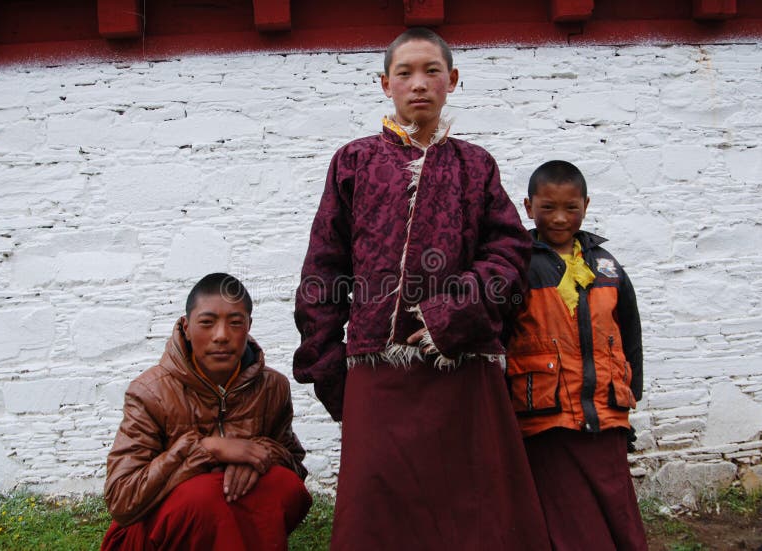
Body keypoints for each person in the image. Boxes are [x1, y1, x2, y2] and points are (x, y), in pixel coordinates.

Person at [293, 27, 551, 551]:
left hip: (463, 368)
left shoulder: (475, 166)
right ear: (384, 83)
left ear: (452, 81)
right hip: (375, 370)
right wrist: (327, 361)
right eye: (405, 73)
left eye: (432, 71)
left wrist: (451, 315)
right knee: (380, 515)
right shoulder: (354, 161)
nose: (419, 84)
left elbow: (509, 253)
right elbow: (325, 265)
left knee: (473, 513)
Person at [101, 273, 311, 551]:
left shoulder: (273, 387)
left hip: (230, 522)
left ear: (249, 326)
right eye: (207, 323)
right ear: (186, 327)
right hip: (149, 535)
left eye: (235, 323)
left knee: (282, 484)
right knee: (205, 497)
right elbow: (121, 499)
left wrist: (256, 454)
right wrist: (207, 450)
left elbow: (295, 467)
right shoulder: (150, 392)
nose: (221, 336)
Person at [505, 160, 647, 550]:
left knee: (617, 512)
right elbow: (500, 339)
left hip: (605, 412)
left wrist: (630, 391)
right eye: (548, 207)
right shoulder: (519, 266)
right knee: (567, 521)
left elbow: (629, 332)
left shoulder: (606, 266)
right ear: (528, 207)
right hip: (545, 417)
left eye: (571, 207)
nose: (560, 218)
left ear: (586, 204)